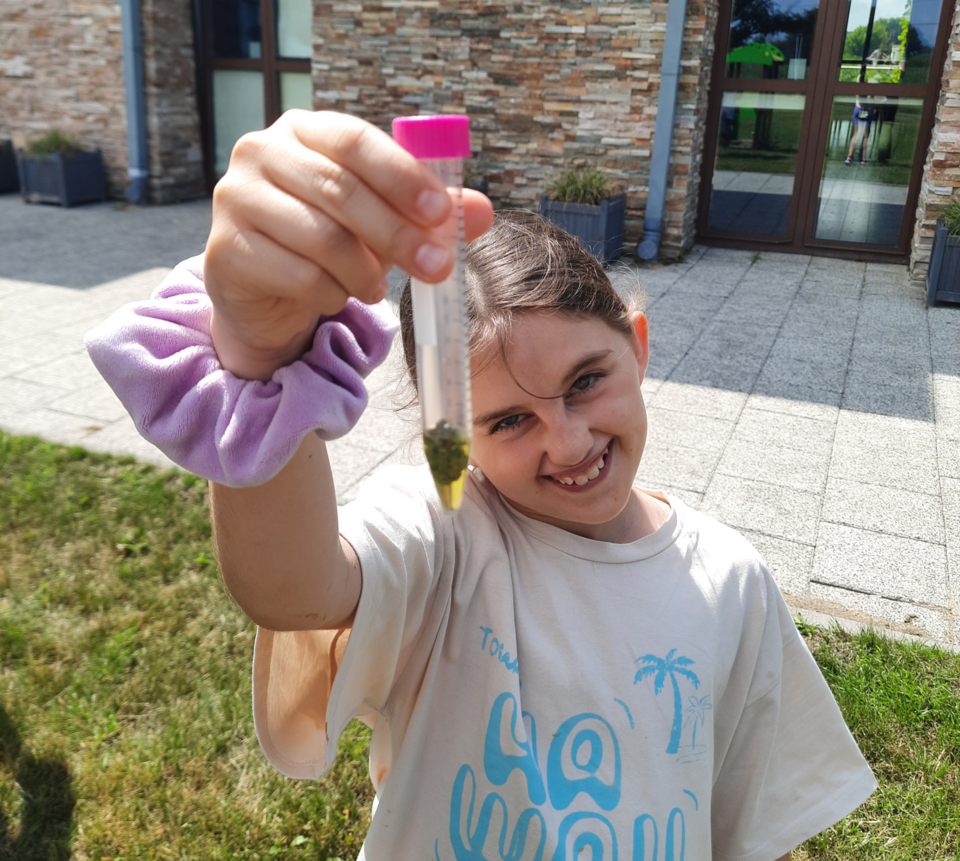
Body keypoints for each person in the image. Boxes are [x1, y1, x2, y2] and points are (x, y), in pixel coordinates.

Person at [86, 111, 876, 861]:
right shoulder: (447, 533)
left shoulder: (732, 581)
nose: (568, 442)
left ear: (636, 346)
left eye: (585, 381)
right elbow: (291, 590)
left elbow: (757, 822)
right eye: (509, 421)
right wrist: (258, 352)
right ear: (453, 434)